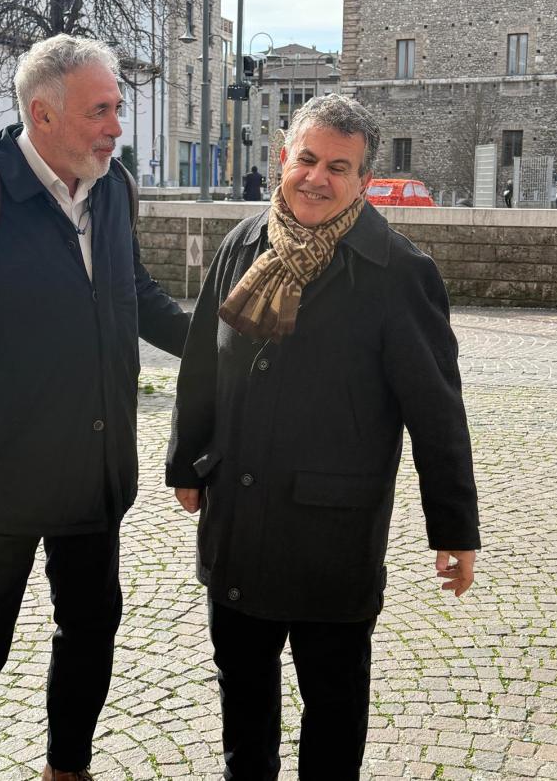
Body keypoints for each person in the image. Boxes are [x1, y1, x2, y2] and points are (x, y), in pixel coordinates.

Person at [0, 34, 190, 781]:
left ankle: (68, 769)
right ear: (42, 114)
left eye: (116, 107)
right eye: (100, 110)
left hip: (95, 470)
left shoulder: (113, 185)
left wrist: (221, 345)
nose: (115, 126)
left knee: (90, 629)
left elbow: (138, 296)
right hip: (2, 475)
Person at [166, 94, 480, 781]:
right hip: (238, 524)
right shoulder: (240, 244)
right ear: (284, 156)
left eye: (338, 167)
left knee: (332, 711)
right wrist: (187, 465)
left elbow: (436, 414)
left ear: (362, 181)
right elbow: (200, 367)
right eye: (306, 159)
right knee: (243, 705)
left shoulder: (398, 273)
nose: (316, 177)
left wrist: (453, 529)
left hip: (330, 538)